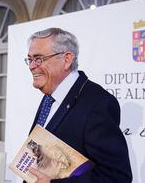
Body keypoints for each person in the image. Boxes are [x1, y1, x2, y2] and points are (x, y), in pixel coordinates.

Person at [24, 28, 132, 183]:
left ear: (67, 59)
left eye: (39, 58)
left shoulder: (98, 103)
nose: (32, 66)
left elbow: (117, 177)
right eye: (30, 59)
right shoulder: (49, 97)